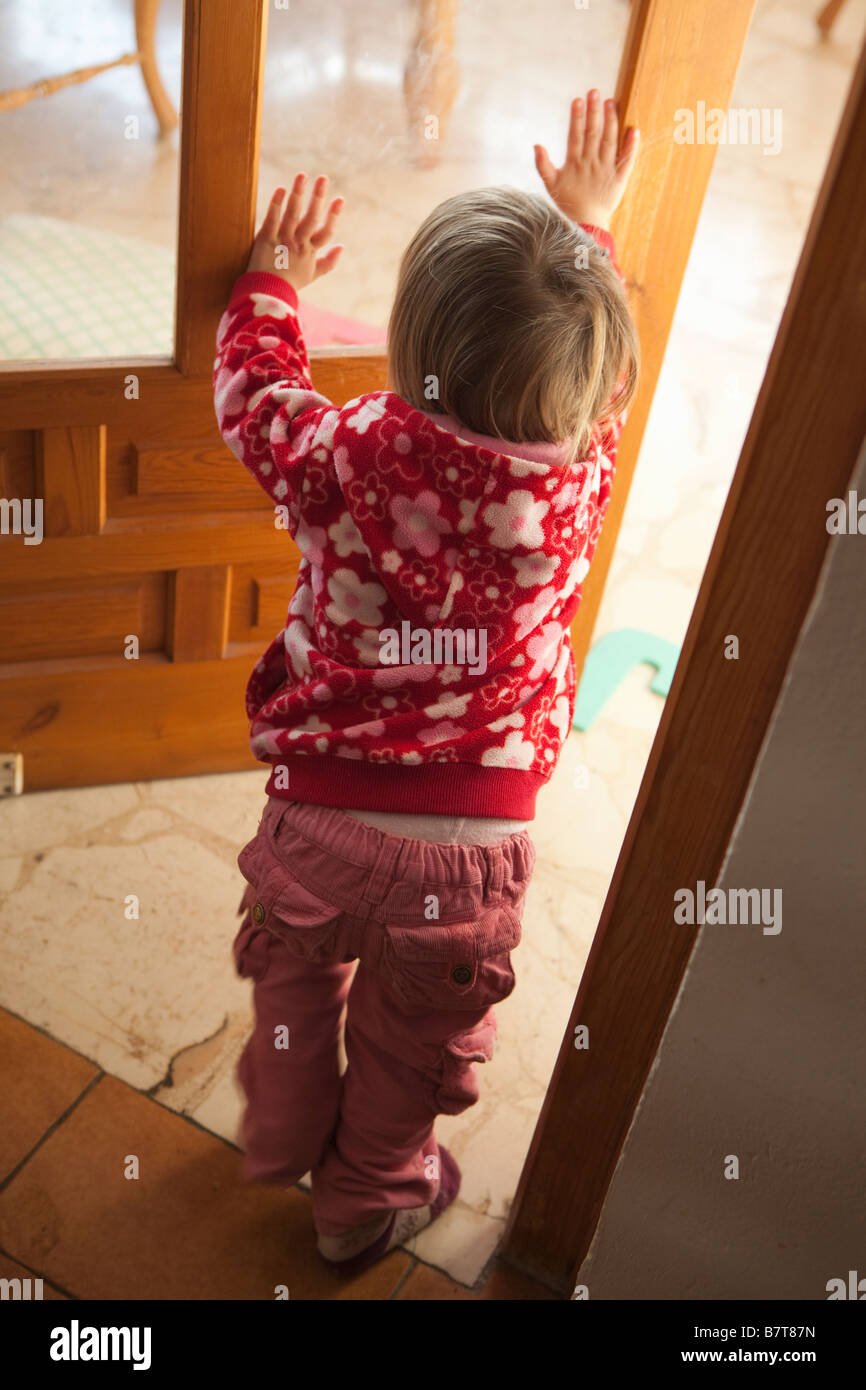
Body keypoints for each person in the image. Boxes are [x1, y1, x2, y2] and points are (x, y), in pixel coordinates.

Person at [214, 89, 640, 1274]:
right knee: (410, 1048)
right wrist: (589, 228)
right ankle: (363, 1199)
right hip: (468, 851)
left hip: (319, 820)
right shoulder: (575, 496)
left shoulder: (344, 455)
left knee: (294, 992)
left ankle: (284, 1129)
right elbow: (588, 387)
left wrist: (270, 289)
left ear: (410, 353)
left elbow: (255, 404)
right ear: (594, 390)